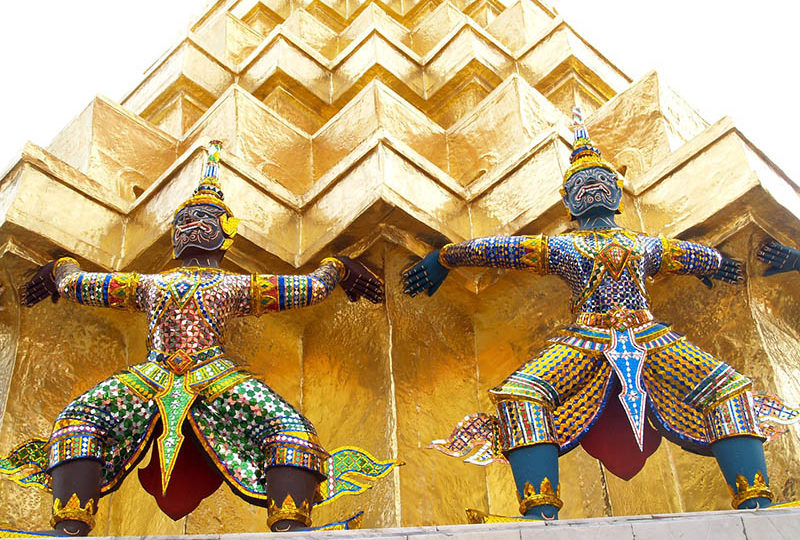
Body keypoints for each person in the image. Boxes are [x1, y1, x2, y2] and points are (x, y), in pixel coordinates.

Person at [404, 109, 791, 521]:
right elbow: (501, 250)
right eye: (581, 185)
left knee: (729, 389)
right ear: (568, 202)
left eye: (601, 180)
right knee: (521, 395)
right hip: (586, 339)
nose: (591, 187)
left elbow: (686, 254)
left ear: (618, 193)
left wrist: (720, 263)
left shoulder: (644, 245)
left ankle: (757, 504)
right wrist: (444, 258)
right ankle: (539, 515)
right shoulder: (563, 248)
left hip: (651, 335)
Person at [2, 141, 395, 535]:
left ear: (226, 232)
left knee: (291, 431)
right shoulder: (148, 285)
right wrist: (61, 268)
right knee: (78, 420)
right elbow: (79, 285)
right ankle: (70, 526)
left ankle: (290, 525)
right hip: (152, 374)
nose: (190, 224)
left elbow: (309, 288)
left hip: (214, 374)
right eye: (183, 219)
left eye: (203, 218)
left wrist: (337, 267)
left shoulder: (235, 286)